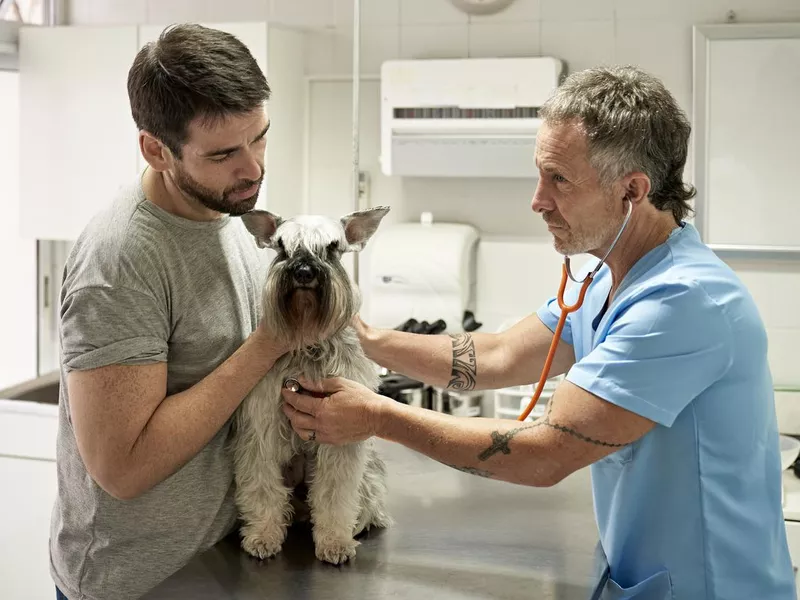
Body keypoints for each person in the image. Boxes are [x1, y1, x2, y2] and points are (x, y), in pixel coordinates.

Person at [281, 66, 797, 599]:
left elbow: (546, 454)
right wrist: (363, 337)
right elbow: (500, 354)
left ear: (632, 190)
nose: (537, 199)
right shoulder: (605, 278)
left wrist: (376, 415)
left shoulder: (682, 303)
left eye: (559, 179)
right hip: (646, 580)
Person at [50, 24, 290, 600]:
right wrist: (267, 345)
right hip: (136, 582)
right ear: (156, 149)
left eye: (259, 138)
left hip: (218, 566)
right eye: (224, 153)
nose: (253, 168)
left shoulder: (229, 212)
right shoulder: (121, 261)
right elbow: (122, 468)